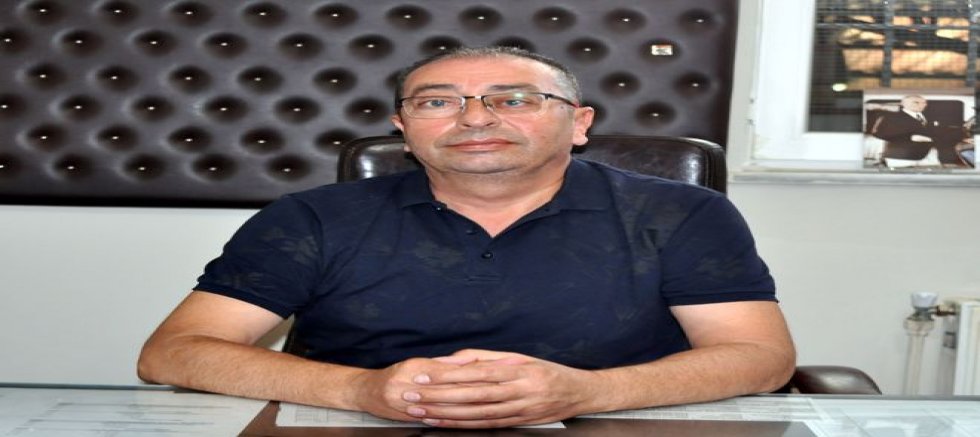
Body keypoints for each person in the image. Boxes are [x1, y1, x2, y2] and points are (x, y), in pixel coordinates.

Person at [138, 46, 795, 429]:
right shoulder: (311, 218)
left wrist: (588, 392)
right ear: (403, 129)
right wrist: (360, 391)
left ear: (579, 124)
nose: (475, 119)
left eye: (515, 99)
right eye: (437, 102)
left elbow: (759, 358)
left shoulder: (682, 213)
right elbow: (174, 354)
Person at [869, 95, 966, 166]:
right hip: (901, 157)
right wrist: (909, 137)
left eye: (924, 102)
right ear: (903, 104)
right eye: (916, 102)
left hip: (932, 157)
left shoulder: (931, 116)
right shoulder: (890, 117)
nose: (922, 105)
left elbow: (941, 132)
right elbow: (879, 134)